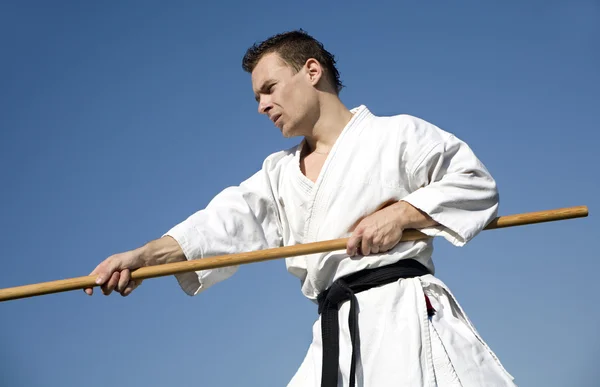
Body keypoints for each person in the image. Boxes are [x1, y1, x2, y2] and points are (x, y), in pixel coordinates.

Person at [84, 30, 516, 386]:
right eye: (256, 98)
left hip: (403, 316)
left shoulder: (397, 135)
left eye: (269, 88)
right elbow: (222, 223)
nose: (261, 106)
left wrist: (402, 214)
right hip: (334, 332)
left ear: (312, 71)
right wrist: (141, 257)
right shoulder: (278, 174)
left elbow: (474, 182)